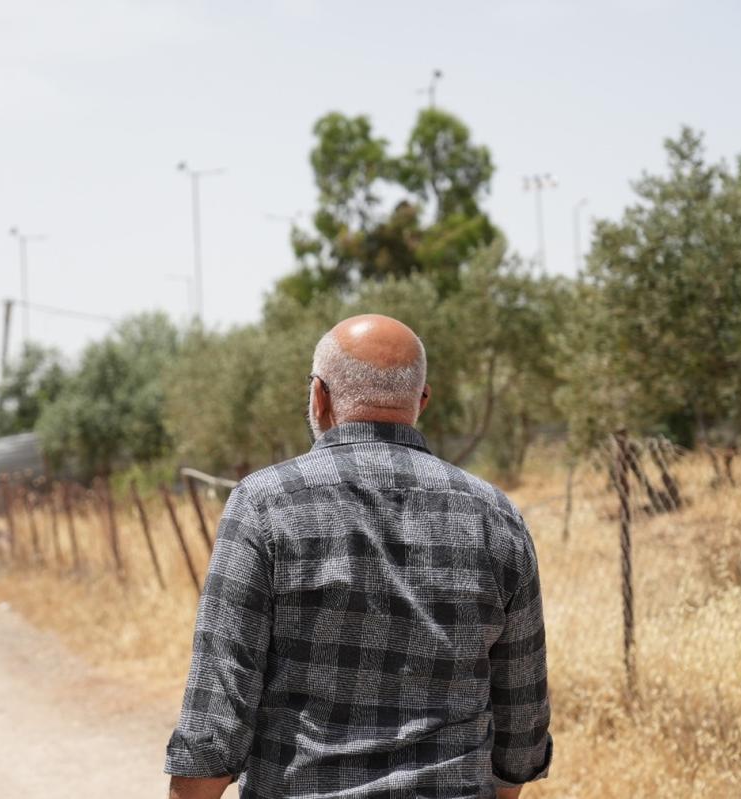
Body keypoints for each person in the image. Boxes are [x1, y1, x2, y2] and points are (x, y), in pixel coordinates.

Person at [165, 314, 552, 799]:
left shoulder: (264, 504)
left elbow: (215, 717)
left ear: (318, 397)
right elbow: (521, 728)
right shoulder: (497, 516)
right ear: (422, 401)